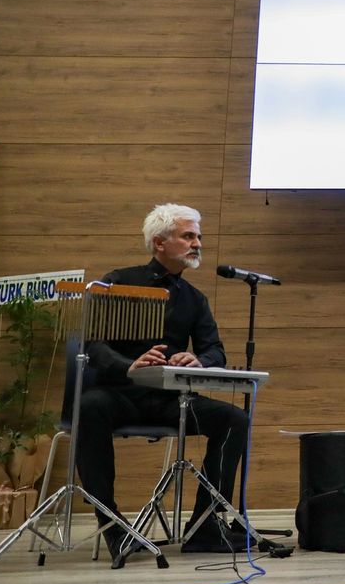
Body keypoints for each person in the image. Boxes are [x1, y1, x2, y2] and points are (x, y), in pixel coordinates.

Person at [78, 204, 252, 557]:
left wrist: (199, 360)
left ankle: (205, 526)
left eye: (198, 236)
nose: (197, 243)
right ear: (159, 242)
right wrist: (128, 365)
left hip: (172, 400)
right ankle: (111, 524)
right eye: (188, 236)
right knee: (89, 406)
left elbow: (215, 350)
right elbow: (92, 343)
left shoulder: (195, 298)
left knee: (235, 419)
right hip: (120, 395)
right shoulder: (118, 282)